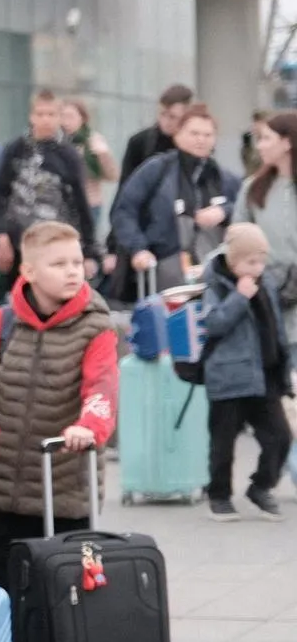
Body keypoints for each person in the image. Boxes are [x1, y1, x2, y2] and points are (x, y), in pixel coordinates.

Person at [0, 221, 118, 588]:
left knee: (64, 599)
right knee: (3, 591)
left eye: (76, 262)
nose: (72, 271)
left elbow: (102, 387)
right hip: (2, 494)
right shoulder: (1, 323)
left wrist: (88, 427)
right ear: (29, 271)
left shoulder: (95, 328)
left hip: (65, 492)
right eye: (58, 264)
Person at [196, 223, 291, 521]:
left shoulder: (266, 284)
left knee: (280, 437)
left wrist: (284, 366)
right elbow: (211, 325)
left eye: (262, 261)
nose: (258, 268)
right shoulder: (214, 285)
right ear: (234, 260)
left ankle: (261, 486)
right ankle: (219, 495)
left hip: (264, 377)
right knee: (223, 443)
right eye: (251, 262)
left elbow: (275, 327)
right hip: (228, 377)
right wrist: (239, 297)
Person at [113, 103, 240, 288]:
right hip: (164, 265)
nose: (201, 140)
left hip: (215, 268)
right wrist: (138, 249)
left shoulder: (225, 178)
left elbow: (246, 210)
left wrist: (224, 211)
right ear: (178, 134)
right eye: (194, 133)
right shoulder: (156, 169)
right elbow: (124, 211)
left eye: (208, 135)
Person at [0, 90, 97, 278]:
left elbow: (80, 204)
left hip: (56, 243)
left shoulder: (69, 155)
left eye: (51, 114)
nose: (45, 120)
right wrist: (1, 236)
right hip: (19, 244)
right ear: (31, 116)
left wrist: (89, 251)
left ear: (59, 117)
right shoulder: (15, 149)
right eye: (40, 114)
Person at [235, 111, 297, 347]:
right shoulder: (252, 188)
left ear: (287, 142)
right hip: (267, 299)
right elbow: (237, 237)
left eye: (266, 138)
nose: (259, 146)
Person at [61, 98, 118, 245]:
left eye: (71, 116)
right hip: (64, 204)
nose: (66, 121)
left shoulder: (93, 140)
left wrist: (102, 155)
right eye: (63, 116)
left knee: (86, 244)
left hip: (90, 203)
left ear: (83, 118)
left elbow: (113, 175)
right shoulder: (59, 142)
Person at [120, 83, 194, 186]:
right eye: (162, 114)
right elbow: (125, 187)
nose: (166, 121)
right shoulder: (140, 142)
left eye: (173, 117)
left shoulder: (195, 143)